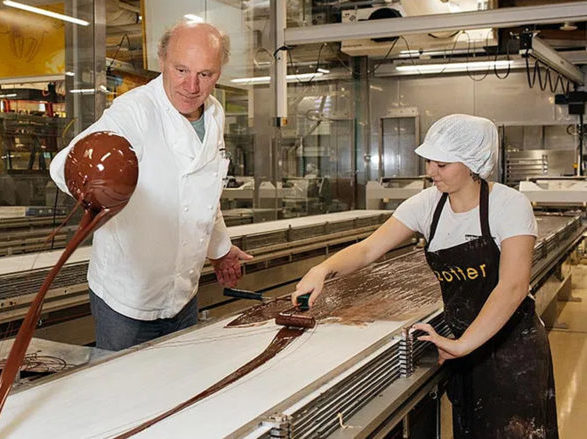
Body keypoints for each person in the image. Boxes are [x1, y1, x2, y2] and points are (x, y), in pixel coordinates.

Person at [293, 114, 557, 438]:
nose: (431, 170)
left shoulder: (508, 205)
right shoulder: (428, 205)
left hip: (512, 347)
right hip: (462, 346)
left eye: (442, 164)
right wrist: (322, 269)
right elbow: (367, 250)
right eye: (430, 161)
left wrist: (462, 345)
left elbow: (512, 286)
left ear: (471, 162)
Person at [50, 21, 252, 351]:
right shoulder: (135, 111)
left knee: (176, 390)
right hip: (127, 300)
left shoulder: (214, 113)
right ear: (161, 59)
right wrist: (94, 178)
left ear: (219, 71)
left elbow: (202, 195)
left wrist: (221, 250)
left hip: (183, 293)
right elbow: (63, 165)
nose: (191, 85)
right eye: (181, 69)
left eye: (206, 74)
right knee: (124, 395)